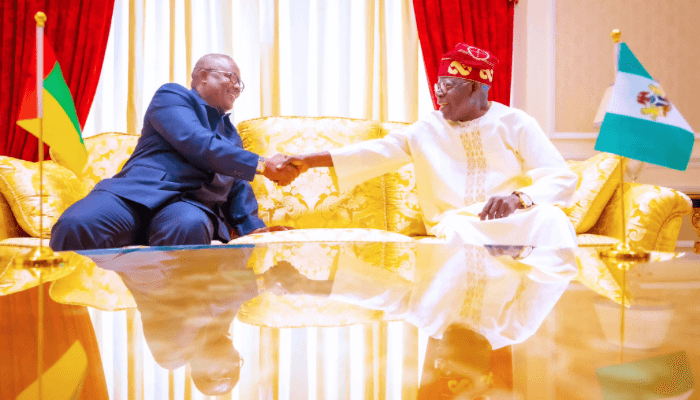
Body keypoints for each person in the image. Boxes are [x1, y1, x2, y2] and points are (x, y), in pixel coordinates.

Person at [281, 43, 579, 247]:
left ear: (475, 88)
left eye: (448, 85)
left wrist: (518, 199)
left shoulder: (515, 122)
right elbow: (373, 152)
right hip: (459, 223)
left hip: (513, 218)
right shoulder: (427, 128)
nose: (438, 93)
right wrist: (308, 161)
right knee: (461, 234)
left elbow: (561, 177)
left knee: (552, 219)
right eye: (438, 85)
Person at [51, 54, 299, 251]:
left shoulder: (232, 137)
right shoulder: (172, 96)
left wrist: (252, 228)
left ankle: (173, 304)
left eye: (240, 84)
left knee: (189, 226)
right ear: (203, 76)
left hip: (188, 205)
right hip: (133, 195)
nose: (237, 87)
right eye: (231, 77)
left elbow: (237, 187)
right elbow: (196, 141)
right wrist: (262, 164)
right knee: (76, 224)